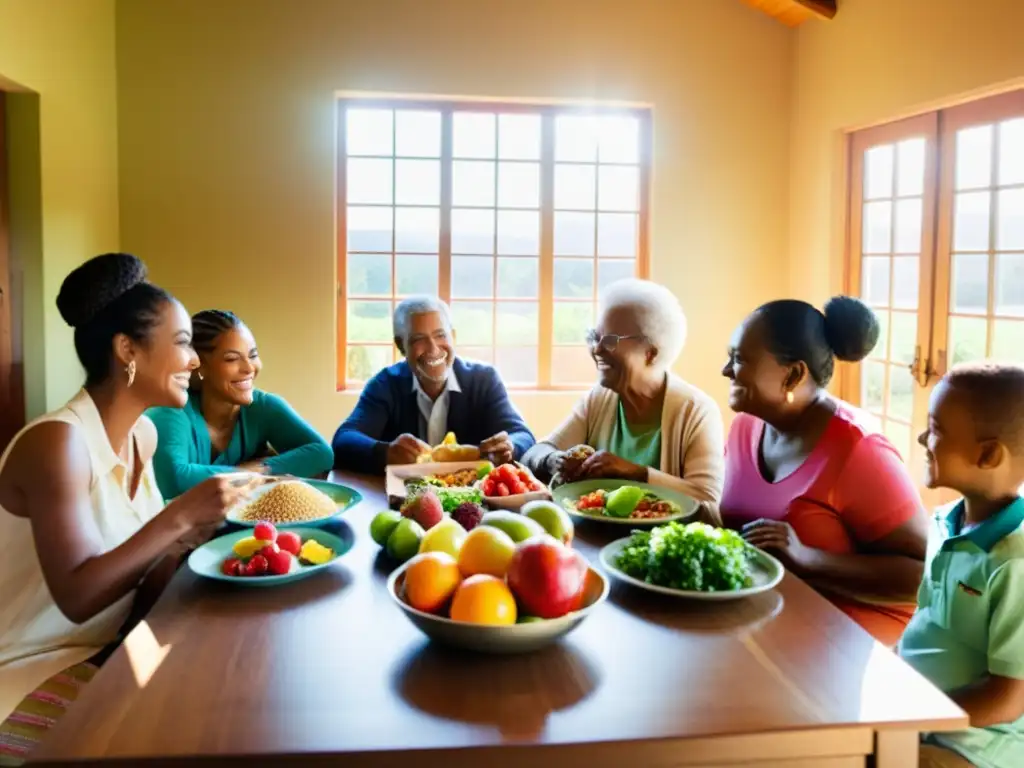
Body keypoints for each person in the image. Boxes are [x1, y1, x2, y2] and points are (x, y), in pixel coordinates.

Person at [0, 254, 256, 762]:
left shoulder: (143, 435)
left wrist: (208, 546)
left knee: (241, 701)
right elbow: (78, 593)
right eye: (182, 343)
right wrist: (180, 517)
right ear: (127, 350)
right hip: (26, 673)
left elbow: (143, 574)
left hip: (106, 651)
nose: (195, 361)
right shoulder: (59, 443)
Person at [720, 296, 928, 647]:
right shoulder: (745, 426)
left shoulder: (859, 450)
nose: (726, 370)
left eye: (739, 359)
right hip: (768, 616)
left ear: (794, 374)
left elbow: (923, 578)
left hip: (851, 638)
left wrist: (809, 559)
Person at [899, 363, 1024, 768]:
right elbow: (925, 623)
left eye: (936, 429)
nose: (923, 438)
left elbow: (1008, 698)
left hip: (974, 748)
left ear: (987, 454)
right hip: (918, 717)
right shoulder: (945, 521)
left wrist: (911, 719)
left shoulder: (1014, 562)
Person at [523, 279, 725, 504]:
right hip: (595, 536)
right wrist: (554, 460)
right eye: (594, 337)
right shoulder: (599, 399)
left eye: (610, 340)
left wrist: (637, 473)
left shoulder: (696, 411)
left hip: (659, 538)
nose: (597, 349)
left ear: (650, 353)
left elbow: (708, 501)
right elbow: (535, 452)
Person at [332, 296, 535, 474]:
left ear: (453, 337)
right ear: (401, 346)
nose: (433, 349)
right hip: (403, 502)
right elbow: (344, 439)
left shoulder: (484, 379)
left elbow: (523, 436)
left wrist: (510, 448)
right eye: (418, 339)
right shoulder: (385, 384)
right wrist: (386, 453)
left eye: (440, 335)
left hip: (474, 500)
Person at [148, 310, 333, 499]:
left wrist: (261, 468)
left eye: (252, 355)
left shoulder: (263, 406)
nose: (248, 368)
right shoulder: (172, 409)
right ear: (200, 365)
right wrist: (246, 473)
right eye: (232, 359)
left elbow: (322, 454)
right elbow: (174, 479)